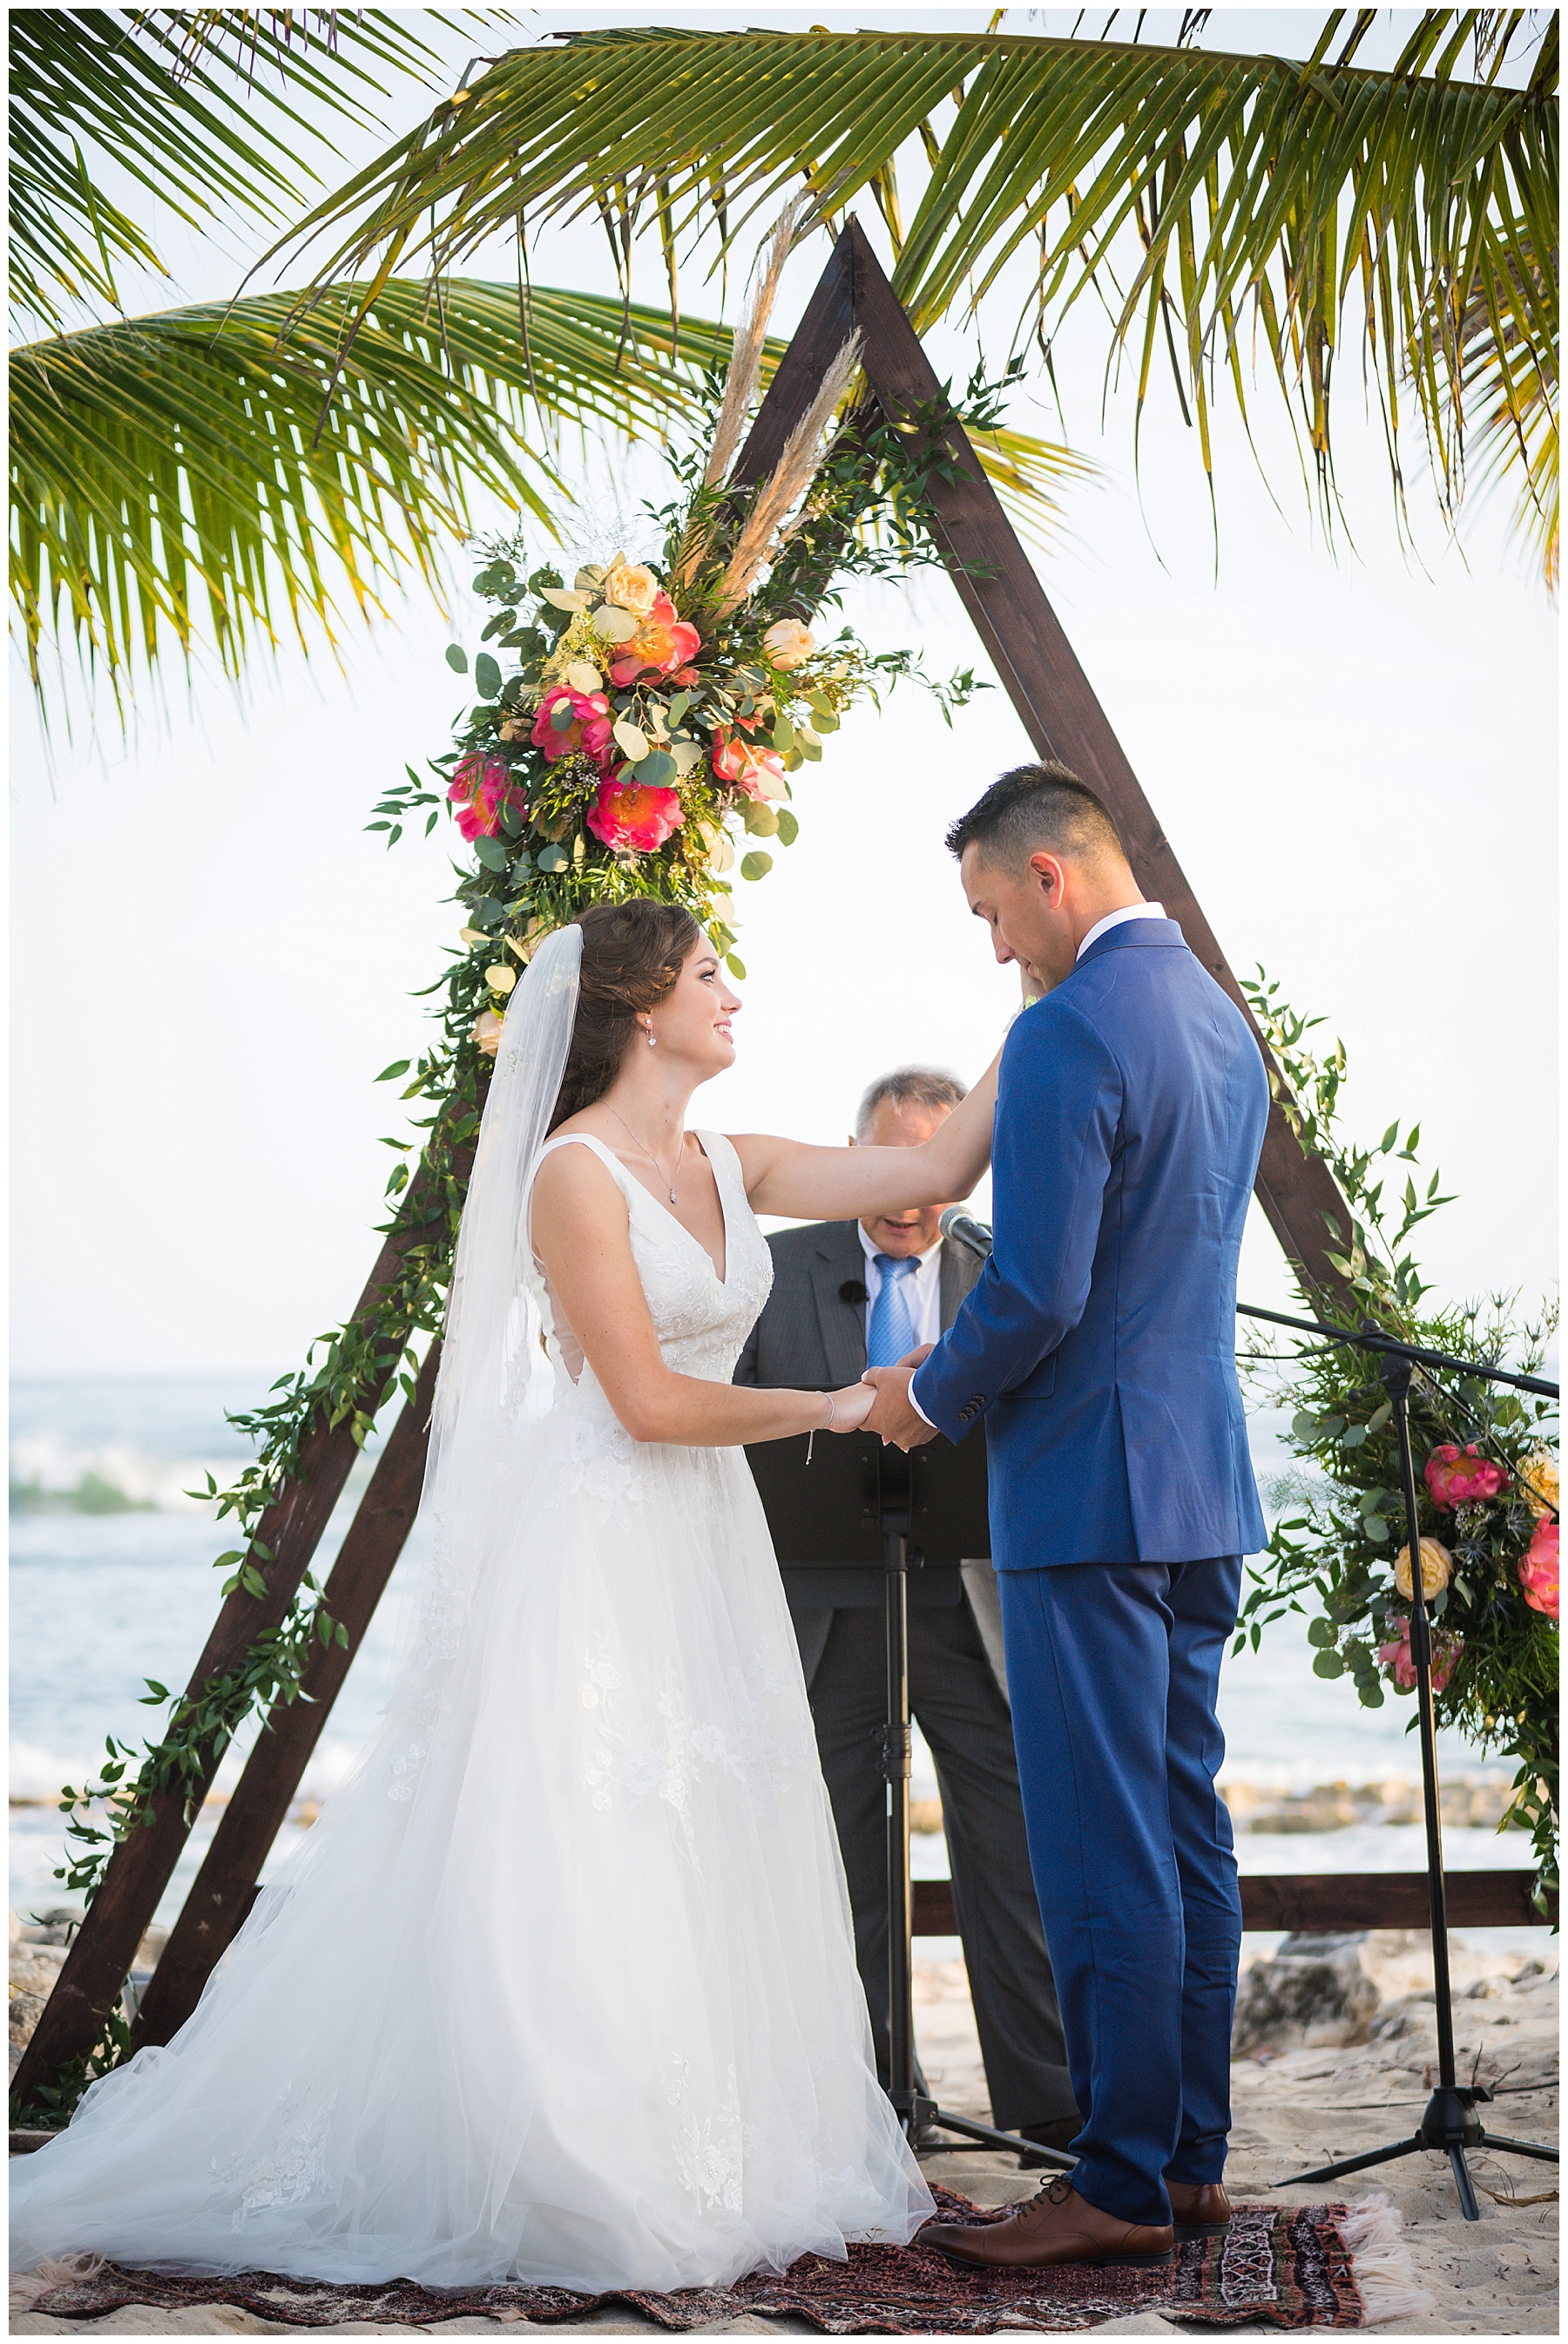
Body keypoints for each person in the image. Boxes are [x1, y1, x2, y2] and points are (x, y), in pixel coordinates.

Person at [11, 901, 1010, 2293]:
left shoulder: (739, 1156)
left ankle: (708, 2134)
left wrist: (1049, 995)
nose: (736, 993)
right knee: (593, 1828)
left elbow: (944, 1154)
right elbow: (649, 1401)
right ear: (641, 1004)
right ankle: (580, 2152)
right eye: (711, 973)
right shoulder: (570, 1174)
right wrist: (843, 1401)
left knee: (715, 1817)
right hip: (603, 1537)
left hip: (709, 1539)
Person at [863, 762, 1268, 2273]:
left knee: (1099, 1850)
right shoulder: (1222, 1022)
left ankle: (1110, 2181)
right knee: (1184, 1825)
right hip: (1200, 1487)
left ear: (1049, 876)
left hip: (1086, 1498)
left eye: (988, 911)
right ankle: (1188, 2163)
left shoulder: (1062, 1033)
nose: (991, 952)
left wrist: (928, 1394)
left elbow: (1037, 1290)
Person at [733, 1067, 1078, 2150]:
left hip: (973, 1605)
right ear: (858, 1154)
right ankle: (872, 2106)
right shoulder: (776, 1270)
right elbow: (732, 1430)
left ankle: (1048, 2108)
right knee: (841, 1858)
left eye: (932, 1181)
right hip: (826, 1606)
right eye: (891, 1172)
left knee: (1013, 1853)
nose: (911, 1204)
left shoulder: (1006, 1272)